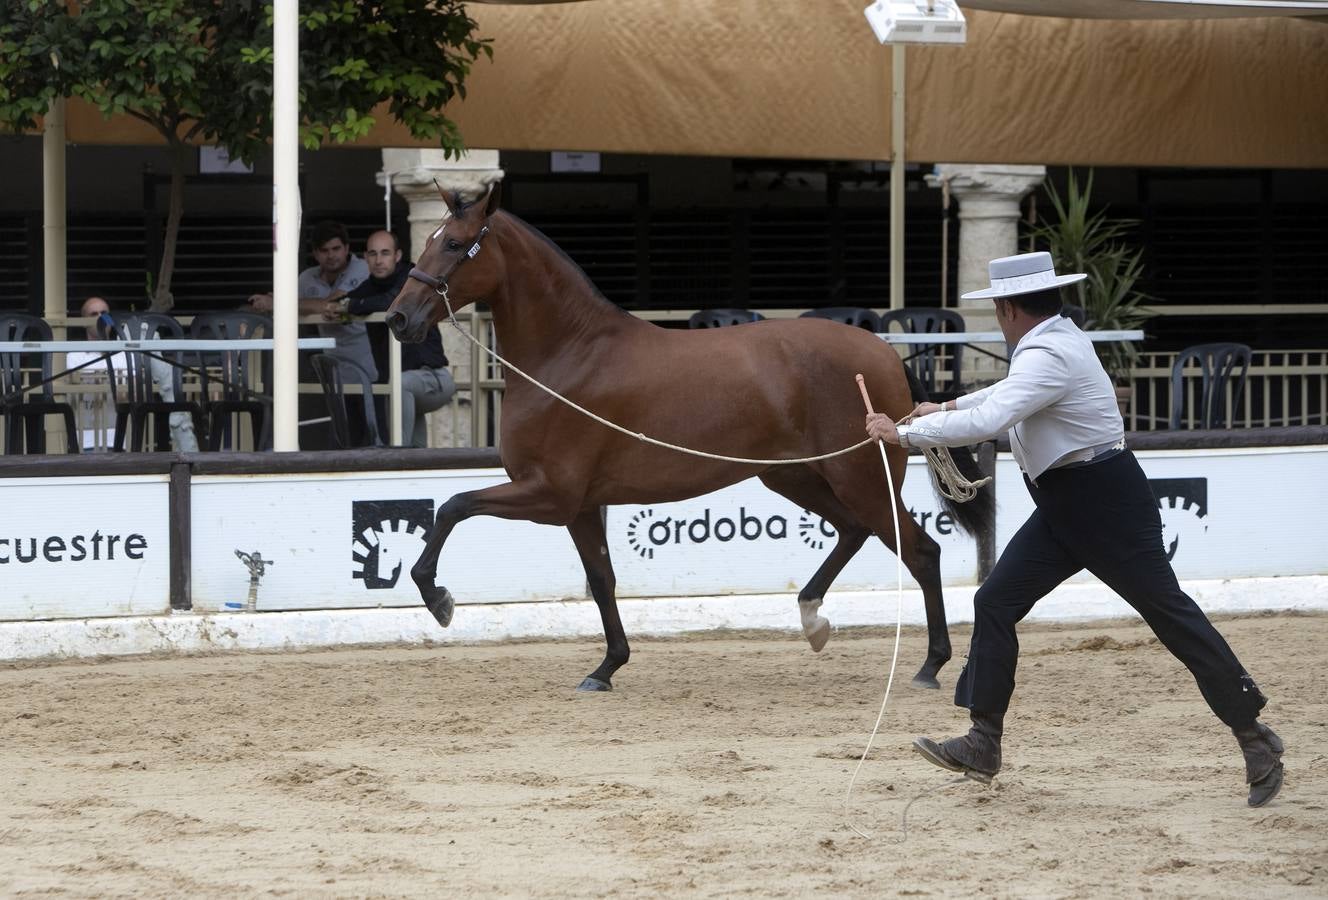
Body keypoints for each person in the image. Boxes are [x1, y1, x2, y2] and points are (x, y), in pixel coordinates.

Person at [864, 251, 1284, 808]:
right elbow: (997, 397)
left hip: (1102, 503)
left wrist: (902, 436)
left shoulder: (1048, 352)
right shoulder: (1053, 341)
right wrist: (942, 406)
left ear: (1009, 307)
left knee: (1169, 614)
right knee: (996, 601)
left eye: (996, 307)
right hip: (1070, 500)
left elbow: (993, 420)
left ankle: (1255, 738)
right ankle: (983, 742)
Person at [329, 230, 455, 447]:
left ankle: (398, 456)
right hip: (401, 383)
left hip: (434, 378)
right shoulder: (369, 287)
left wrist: (350, 306)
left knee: (399, 385)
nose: (379, 260)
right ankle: (415, 464)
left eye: (385, 253)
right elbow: (342, 302)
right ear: (365, 258)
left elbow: (393, 300)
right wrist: (339, 307)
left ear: (397, 256)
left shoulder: (412, 278)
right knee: (388, 390)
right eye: (373, 254)